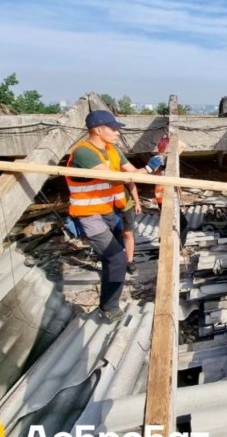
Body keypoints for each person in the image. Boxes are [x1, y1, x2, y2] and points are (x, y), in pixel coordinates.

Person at [66, 110, 163, 322]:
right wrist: (147, 168)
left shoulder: (112, 150)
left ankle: (110, 286)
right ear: (98, 130)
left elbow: (131, 173)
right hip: (89, 214)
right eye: (113, 128)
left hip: (108, 211)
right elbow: (112, 178)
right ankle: (108, 308)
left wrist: (148, 168)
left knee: (115, 253)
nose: (117, 133)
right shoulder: (84, 152)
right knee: (116, 258)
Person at [118, 183, 142, 274]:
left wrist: (137, 203)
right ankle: (116, 260)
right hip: (107, 207)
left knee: (128, 233)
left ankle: (130, 261)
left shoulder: (121, 168)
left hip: (125, 206)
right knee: (112, 234)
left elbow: (131, 183)